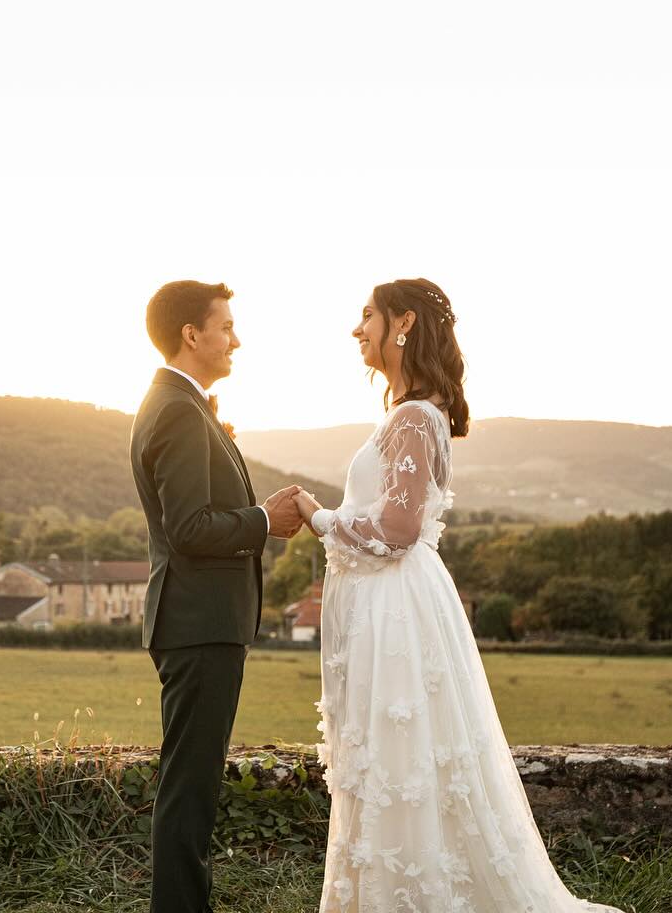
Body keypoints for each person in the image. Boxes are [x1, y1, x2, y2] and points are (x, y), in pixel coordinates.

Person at [289, 278, 624, 913]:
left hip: (395, 611)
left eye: (368, 316)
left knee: (399, 753)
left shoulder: (413, 415)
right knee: (396, 756)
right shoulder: (413, 411)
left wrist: (318, 515)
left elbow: (396, 529)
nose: (357, 329)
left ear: (403, 323)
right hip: (387, 604)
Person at [130, 280, 306, 913]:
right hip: (198, 624)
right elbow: (187, 529)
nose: (236, 338)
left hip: (198, 622)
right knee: (189, 789)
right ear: (191, 334)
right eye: (226, 325)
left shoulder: (184, 405)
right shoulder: (177, 410)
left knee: (193, 785)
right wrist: (264, 521)